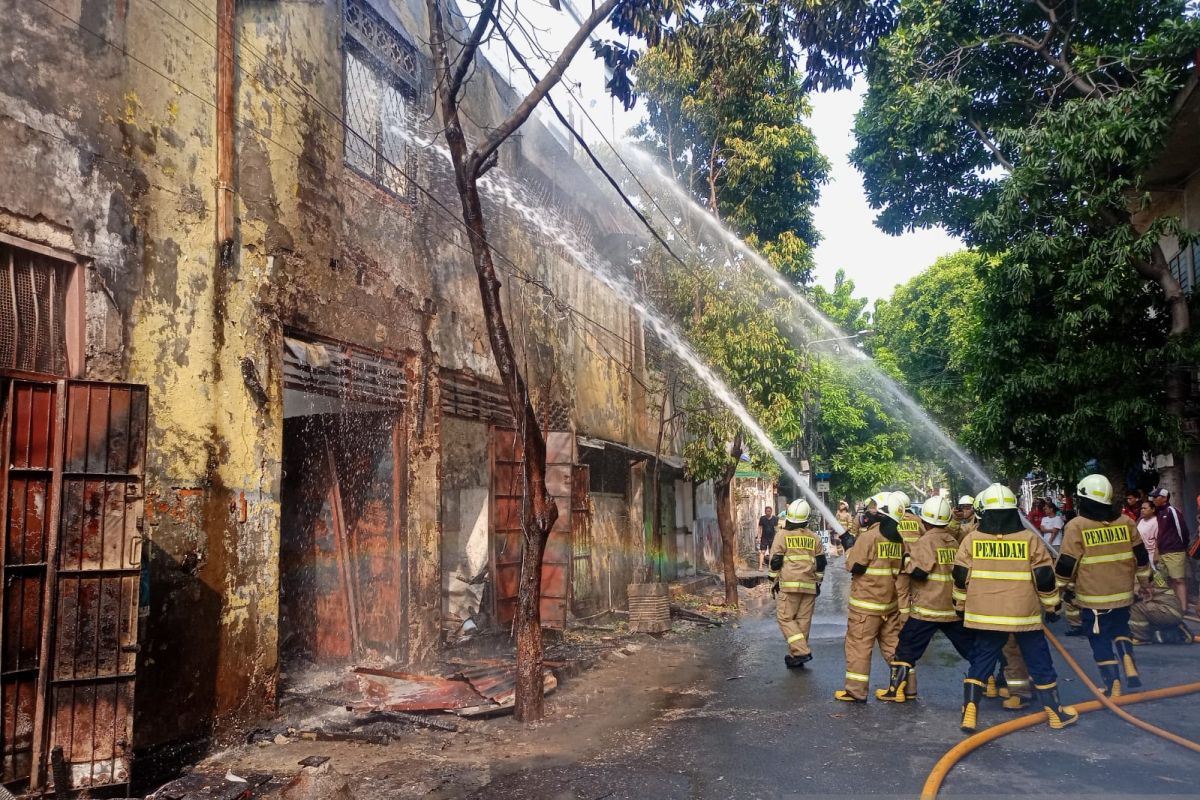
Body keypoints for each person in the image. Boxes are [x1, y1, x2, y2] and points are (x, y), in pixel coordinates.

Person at [954, 483, 1076, 731]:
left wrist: (960, 605)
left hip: (985, 616)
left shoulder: (972, 540)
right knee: (1039, 661)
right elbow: (1044, 577)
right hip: (1023, 615)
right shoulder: (1029, 540)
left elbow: (959, 575)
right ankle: (1055, 713)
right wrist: (1052, 607)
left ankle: (970, 712)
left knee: (981, 662)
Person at [1055, 474, 1151, 697]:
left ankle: (1112, 683)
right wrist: (1146, 584)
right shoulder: (1126, 522)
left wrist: (1058, 590)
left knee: (1099, 639)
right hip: (1123, 594)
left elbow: (1066, 564)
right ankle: (1128, 660)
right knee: (1121, 629)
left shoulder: (1077, 526)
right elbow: (1141, 557)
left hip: (1095, 597)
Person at [876, 495, 974, 703]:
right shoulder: (952, 541)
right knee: (971, 649)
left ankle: (896, 691)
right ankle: (990, 680)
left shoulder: (926, 541)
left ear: (925, 520)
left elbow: (919, 572)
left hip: (928, 608)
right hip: (951, 608)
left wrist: (906, 559)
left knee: (906, 648)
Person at [835, 490, 905, 702]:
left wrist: (849, 547)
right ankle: (905, 688)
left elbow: (853, 566)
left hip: (865, 606)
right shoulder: (898, 540)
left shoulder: (869, 537)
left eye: (874, 508)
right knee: (893, 647)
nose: (870, 511)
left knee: (858, 647)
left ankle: (855, 691)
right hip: (889, 604)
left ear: (882, 513)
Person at [767, 499, 825, 668]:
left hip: (790, 584)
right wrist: (818, 582)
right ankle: (796, 656)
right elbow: (821, 563)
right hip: (810, 585)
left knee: (785, 618)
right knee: (803, 621)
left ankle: (801, 651)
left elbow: (775, 561)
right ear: (807, 518)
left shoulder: (782, 535)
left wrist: (773, 581)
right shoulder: (814, 537)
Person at [1151, 488, 1191, 614]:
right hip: (1162, 551)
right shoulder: (1157, 512)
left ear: (1164, 498)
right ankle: (1173, 605)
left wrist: (1182, 546)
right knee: (1162, 579)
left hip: (1175, 551)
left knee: (1178, 579)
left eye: (1156, 497)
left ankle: (1183, 607)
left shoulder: (1171, 511)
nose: (1153, 499)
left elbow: (1182, 530)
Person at [1130, 569, 1190, 644]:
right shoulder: (1148, 570)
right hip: (1170, 608)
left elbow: (1133, 594)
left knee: (1136, 608)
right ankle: (1175, 630)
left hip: (1166, 610)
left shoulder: (1140, 574)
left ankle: (1141, 638)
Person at [1137, 500, 1159, 566]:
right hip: (1142, 554)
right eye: (1141, 508)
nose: (1142, 510)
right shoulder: (1141, 520)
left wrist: (1156, 554)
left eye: (1145, 508)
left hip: (1151, 554)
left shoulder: (1156, 522)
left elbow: (1158, 539)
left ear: (1153, 509)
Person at [757, 506, 778, 571]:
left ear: (771, 512)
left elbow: (776, 528)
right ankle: (760, 566)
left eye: (769, 511)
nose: (768, 512)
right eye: (767, 511)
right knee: (762, 551)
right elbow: (760, 527)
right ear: (765, 512)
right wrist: (758, 537)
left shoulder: (775, 518)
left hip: (772, 537)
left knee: (771, 552)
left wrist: (777, 537)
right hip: (764, 537)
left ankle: (770, 566)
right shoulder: (762, 518)